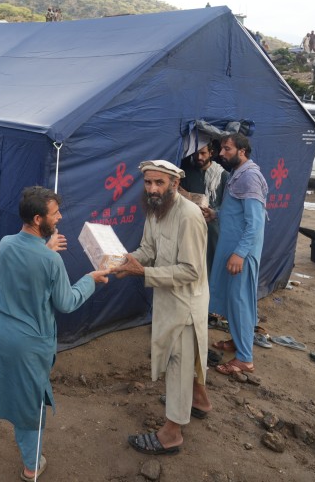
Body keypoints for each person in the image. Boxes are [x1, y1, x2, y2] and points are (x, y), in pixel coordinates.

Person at [0, 186, 108, 479]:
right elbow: (66, 302)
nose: (58, 218)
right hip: (31, 345)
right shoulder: (51, 261)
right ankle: (31, 467)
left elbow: (23, 269)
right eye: (54, 214)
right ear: (37, 218)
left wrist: (43, 252)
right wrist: (90, 279)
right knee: (30, 404)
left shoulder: (5, 244)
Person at [113, 161, 211, 456]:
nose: (153, 189)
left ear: (175, 184)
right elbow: (149, 250)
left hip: (185, 303)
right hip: (166, 298)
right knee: (185, 359)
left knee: (179, 363)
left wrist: (143, 273)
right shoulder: (155, 210)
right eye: (148, 183)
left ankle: (171, 434)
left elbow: (191, 271)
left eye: (159, 183)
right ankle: (200, 402)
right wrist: (124, 260)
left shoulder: (189, 216)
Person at [209, 133, 267, 376]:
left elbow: (254, 223)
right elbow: (235, 212)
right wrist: (215, 214)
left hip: (240, 253)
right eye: (222, 148)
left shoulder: (250, 177)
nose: (222, 153)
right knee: (236, 300)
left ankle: (245, 359)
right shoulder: (238, 173)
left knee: (240, 302)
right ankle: (238, 341)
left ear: (242, 151)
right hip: (232, 248)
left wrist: (240, 254)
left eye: (227, 149)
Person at [181, 143, 227, 273]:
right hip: (192, 225)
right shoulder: (187, 173)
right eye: (195, 153)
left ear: (211, 153)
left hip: (214, 228)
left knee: (213, 265)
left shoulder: (222, 176)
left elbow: (228, 204)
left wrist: (214, 212)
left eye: (203, 153)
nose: (198, 157)